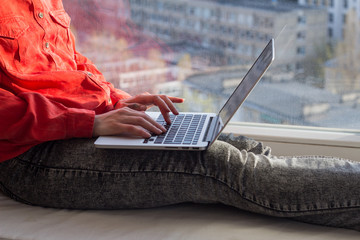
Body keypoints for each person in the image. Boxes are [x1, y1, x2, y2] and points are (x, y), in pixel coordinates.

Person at [0, 0, 359, 231]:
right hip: (31, 154)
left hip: (88, 121)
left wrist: (116, 101)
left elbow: (71, 64)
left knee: (239, 144)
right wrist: (90, 122)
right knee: (215, 162)